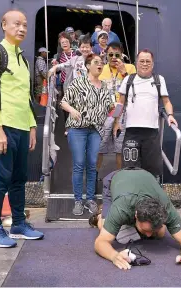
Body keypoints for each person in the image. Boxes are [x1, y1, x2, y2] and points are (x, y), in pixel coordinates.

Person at [0, 10, 44, 248]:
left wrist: (32, 126)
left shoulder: (24, 59)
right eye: (16, 24)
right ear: (4, 25)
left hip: (21, 127)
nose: (22, 29)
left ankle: (18, 223)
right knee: (2, 179)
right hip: (3, 126)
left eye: (25, 25)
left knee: (19, 178)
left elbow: (26, 97)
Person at [90, 168, 181, 270]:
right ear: (136, 215)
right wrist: (114, 256)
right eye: (146, 230)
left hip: (145, 175)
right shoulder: (121, 207)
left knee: (160, 234)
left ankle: (129, 225)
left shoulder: (167, 208)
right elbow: (100, 242)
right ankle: (101, 213)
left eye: (151, 230)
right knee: (102, 225)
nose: (149, 235)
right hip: (116, 179)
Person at [114, 49, 178, 181]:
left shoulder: (159, 80)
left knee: (152, 172)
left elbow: (166, 102)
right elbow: (120, 103)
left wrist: (170, 115)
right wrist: (116, 122)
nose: (145, 64)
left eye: (148, 61)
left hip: (152, 133)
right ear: (136, 63)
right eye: (142, 61)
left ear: (152, 64)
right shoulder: (128, 79)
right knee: (130, 171)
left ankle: (151, 200)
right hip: (132, 132)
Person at [60, 54, 113, 216]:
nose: (100, 65)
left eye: (102, 63)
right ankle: (78, 200)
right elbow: (63, 102)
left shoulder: (104, 86)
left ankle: (90, 199)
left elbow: (109, 107)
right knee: (79, 163)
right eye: (96, 62)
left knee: (92, 164)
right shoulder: (78, 83)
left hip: (96, 130)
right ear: (88, 65)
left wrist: (116, 107)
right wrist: (72, 110)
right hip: (77, 129)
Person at [97, 42, 136, 174]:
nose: (114, 57)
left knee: (119, 149)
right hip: (104, 113)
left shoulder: (130, 68)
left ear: (122, 55)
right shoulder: (101, 68)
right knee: (99, 147)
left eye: (117, 54)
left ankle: (120, 176)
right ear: (106, 55)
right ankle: (94, 177)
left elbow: (135, 91)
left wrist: (124, 73)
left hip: (123, 113)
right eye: (111, 55)